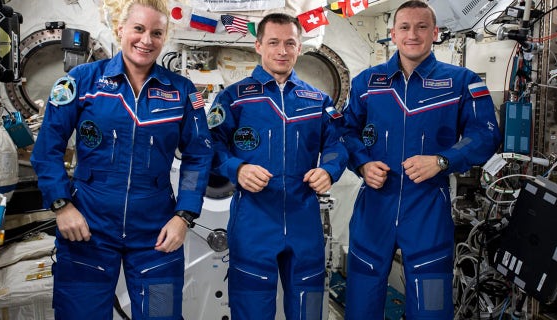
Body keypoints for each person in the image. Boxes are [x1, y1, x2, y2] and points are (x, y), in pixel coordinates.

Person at [30, 0, 213, 319]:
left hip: (156, 232)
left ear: (165, 37)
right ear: (120, 29)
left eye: (157, 33)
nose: (147, 40)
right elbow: (47, 149)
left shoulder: (182, 92)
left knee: (161, 315)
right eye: (139, 29)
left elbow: (199, 157)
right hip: (88, 227)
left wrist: (183, 217)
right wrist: (62, 206)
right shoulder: (82, 81)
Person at [341, 1, 501, 319]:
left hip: (428, 207)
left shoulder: (462, 82)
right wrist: (362, 164)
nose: (412, 34)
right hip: (374, 206)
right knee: (361, 303)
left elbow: (486, 134)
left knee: (432, 305)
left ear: (435, 33)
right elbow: (344, 132)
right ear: (393, 34)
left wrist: (443, 160)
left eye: (421, 27)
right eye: (405, 27)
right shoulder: (367, 83)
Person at [208, 13, 348, 320]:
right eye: (273, 42)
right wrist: (238, 168)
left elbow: (339, 144)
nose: (282, 51)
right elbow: (210, 147)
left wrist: (329, 170)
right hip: (254, 222)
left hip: (304, 221)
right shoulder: (233, 98)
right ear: (258, 45)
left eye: (290, 43)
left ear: (300, 48)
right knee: (252, 310)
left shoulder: (318, 101)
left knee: (309, 310)